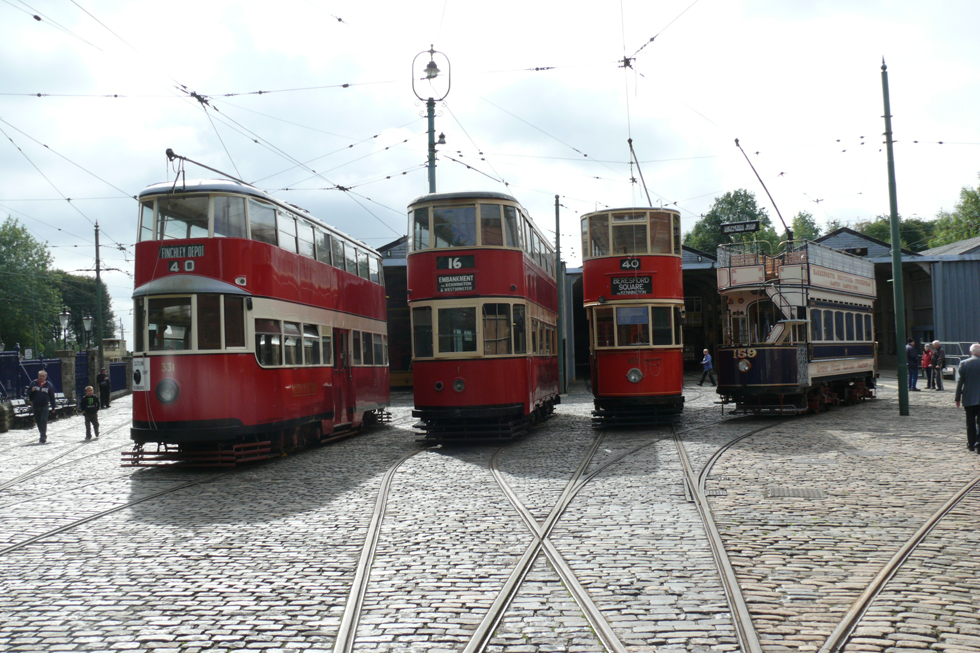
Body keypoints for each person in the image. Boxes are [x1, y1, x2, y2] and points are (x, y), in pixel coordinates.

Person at [954, 343, 980, 453]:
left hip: (969, 397)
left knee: (970, 422)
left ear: (970, 352)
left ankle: (971, 443)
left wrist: (957, 398)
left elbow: (960, 382)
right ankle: (979, 444)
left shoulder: (964, 363)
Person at [28, 369, 58, 444]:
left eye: (43, 376)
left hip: (44, 405)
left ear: (46, 377)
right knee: (38, 420)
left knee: (43, 420)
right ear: (38, 376)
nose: (42, 377)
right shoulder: (34, 383)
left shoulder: (48, 385)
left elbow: (52, 397)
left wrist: (53, 407)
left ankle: (43, 436)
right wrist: (32, 391)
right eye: (40, 376)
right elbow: (28, 394)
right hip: (36, 405)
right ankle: (42, 433)